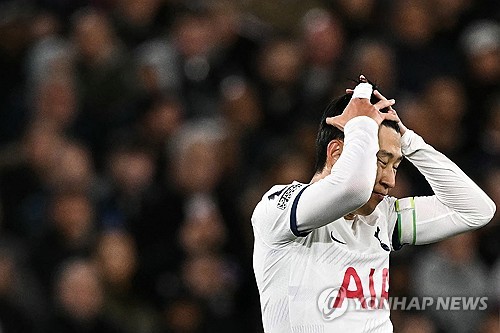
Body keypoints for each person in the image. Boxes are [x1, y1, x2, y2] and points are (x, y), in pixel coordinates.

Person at [251, 76, 496, 332]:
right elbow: (352, 189)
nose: (390, 180)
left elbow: (476, 210)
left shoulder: (383, 218)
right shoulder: (279, 208)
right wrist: (360, 125)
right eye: (381, 161)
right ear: (336, 154)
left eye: (396, 166)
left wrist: (408, 139)